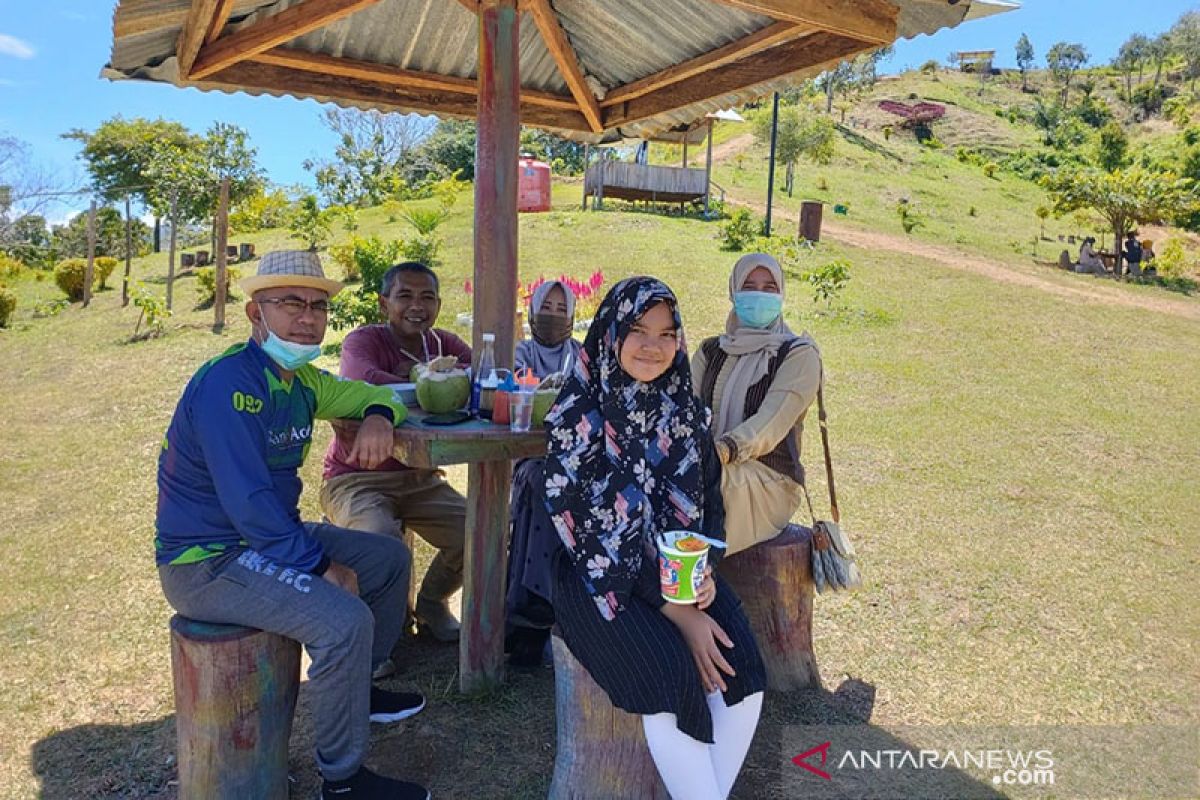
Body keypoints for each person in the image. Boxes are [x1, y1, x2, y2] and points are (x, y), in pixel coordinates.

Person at [155, 251, 430, 800]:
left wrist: (378, 416)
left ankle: (359, 688)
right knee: (342, 619)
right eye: (290, 304)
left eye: (318, 306)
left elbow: (379, 395)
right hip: (207, 561)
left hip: (263, 539)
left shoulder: (303, 383)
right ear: (256, 313)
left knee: (387, 559)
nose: (307, 318)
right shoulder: (227, 385)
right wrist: (319, 566)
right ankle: (344, 782)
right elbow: (250, 503)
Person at [544, 277, 766, 800]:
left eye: (667, 335)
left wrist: (704, 569)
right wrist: (678, 611)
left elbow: (709, 499)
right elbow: (595, 534)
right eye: (638, 330)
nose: (652, 346)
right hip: (594, 577)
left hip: (681, 569)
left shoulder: (683, 410)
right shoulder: (579, 416)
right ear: (610, 333)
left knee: (744, 669)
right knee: (669, 678)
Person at [321, 262, 470, 646]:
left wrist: (429, 373)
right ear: (384, 302)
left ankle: (433, 604)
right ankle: (382, 635)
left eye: (427, 297)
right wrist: (428, 377)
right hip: (355, 478)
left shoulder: (444, 344)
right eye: (405, 295)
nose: (416, 305)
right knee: (380, 542)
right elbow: (363, 378)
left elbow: (476, 375)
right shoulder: (364, 340)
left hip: (420, 478)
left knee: (481, 532)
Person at [690, 253, 822, 555]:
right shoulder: (711, 351)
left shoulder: (798, 355)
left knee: (704, 492)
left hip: (769, 482)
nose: (759, 295)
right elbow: (686, 410)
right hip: (705, 466)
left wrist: (721, 451)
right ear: (733, 292)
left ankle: (695, 581)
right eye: (749, 286)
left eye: (769, 288)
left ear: (782, 294)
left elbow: (769, 424)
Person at [505, 280, 584, 667]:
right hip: (529, 459)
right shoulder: (520, 353)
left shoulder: (581, 357)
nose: (553, 315)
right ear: (533, 311)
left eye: (560, 308)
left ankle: (551, 617)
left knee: (569, 488)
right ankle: (533, 613)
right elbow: (517, 402)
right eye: (546, 307)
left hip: (574, 460)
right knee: (542, 485)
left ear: (571, 314)